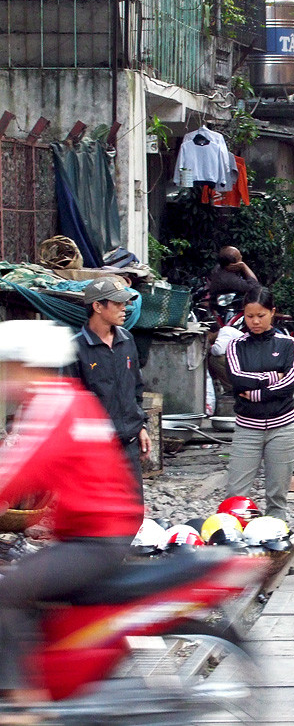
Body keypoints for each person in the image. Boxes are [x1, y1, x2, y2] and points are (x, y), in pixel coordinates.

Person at [0, 320, 143, 702]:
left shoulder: (51, 406)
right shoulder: (69, 398)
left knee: (6, 591)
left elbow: (14, 471)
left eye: (6, 368)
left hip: (94, 540)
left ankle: (24, 700)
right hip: (101, 532)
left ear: (26, 367)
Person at [225, 287, 294, 520]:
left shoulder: (288, 344)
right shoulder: (236, 346)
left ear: (272, 313)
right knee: (235, 494)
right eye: (249, 317)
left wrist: (257, 393)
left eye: (261, 315)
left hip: (283, 429)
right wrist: (272, 377)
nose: (255, 322)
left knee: (277, 496)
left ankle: (275, 536)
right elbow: (237, 379)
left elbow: (292, 381)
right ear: (243, 316)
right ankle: (233, 537)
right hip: (247, 429)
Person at [73, 277, 150, 500]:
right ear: (97, 306)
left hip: (128, 444)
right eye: (117, 303)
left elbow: (136, 388)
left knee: (132, 512)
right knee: (99, 514)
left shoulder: (127, 340)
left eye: (125, 303)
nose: (124, 308)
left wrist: (140, 426)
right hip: (94, 450)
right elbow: (69, 403)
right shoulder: (77, 348)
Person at [207, 323, 243, 395]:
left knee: (215, 360)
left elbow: (218, 350)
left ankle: (233, 389)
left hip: (247, 364)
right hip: (245, 361)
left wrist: (209, 349)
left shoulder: (225, 331)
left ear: (210, 333)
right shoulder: (227, 331)